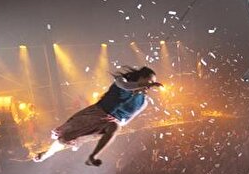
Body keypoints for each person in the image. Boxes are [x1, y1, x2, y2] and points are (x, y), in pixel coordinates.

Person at [33, 66, 161, 166]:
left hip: (108, 123)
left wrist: (116, 121)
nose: (150, 86)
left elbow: (127, 120)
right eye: (149, 82)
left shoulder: (143, 102)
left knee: (115, 127)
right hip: (95, 113)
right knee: (65, 138)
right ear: (141, 77)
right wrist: (145, 85)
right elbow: (127, 87)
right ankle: (46, 154)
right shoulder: (121, 81)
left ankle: (92, 157)